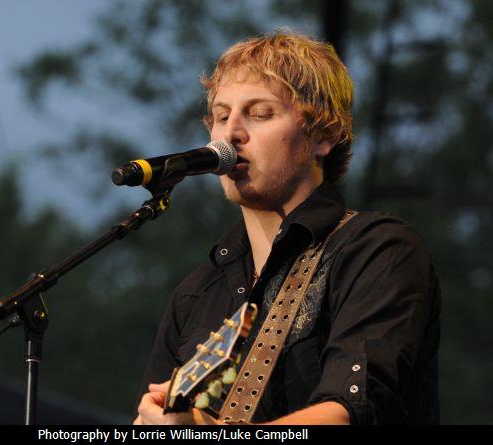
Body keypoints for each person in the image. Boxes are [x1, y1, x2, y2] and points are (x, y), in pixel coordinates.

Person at [134, 30, 440, 425]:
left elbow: (348, 414)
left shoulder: (378, 251)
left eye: (260, 114)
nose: (231, 133)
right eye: (222, 116)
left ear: (323, 135)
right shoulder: (197, 294)